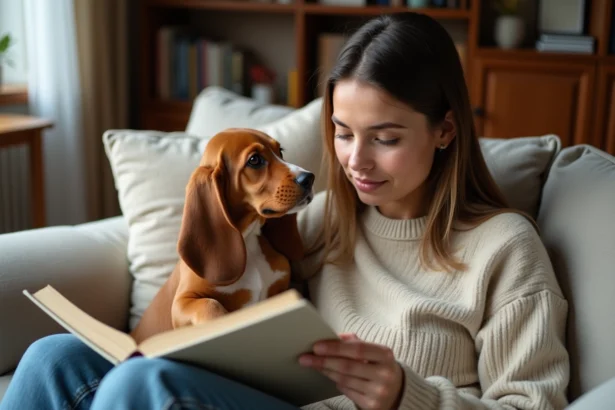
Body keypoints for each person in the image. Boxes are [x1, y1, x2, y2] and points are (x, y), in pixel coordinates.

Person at [0, 12, 571, 410]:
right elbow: (216, 259)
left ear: (445, 129)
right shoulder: (327, 220)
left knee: (143, 388)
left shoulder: (505, 248)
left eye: (386, 138)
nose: (356, 161)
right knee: (54, 357)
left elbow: (532, 407)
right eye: (343, 134)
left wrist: (405, 394)